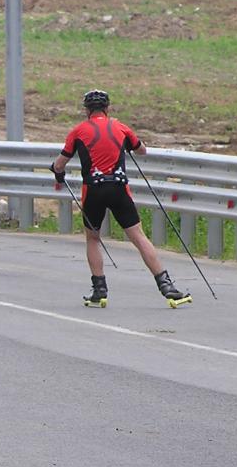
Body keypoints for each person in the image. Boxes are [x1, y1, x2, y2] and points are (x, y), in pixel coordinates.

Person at [49, 89, 188, 307]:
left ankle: (99, 290)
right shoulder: (120, 127)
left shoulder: (78, 131)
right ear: (108, 108)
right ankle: (166, 285)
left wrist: (58, 173)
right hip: (119, 189)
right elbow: (142, 151)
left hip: (93, 191)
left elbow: (59, 164)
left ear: (87, 110)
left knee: (93, 238)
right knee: (139, 238)